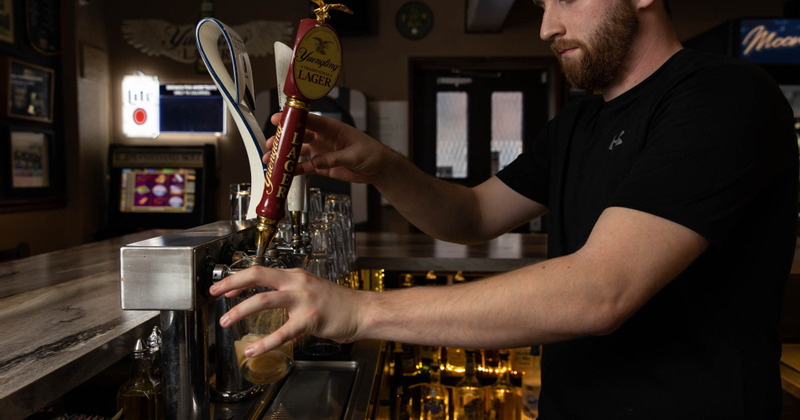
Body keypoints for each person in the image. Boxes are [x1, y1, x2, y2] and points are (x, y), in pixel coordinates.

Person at [210, 0, 799, 417]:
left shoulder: (724, 98)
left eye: (565, 0)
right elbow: (470, 216)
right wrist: (380, 165)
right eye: (542, 3)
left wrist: (359, 311)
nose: (546, 26)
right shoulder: (579, 122)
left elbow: (602, 289)